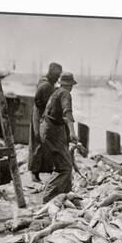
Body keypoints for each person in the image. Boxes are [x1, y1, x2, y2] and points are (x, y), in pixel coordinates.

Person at [40, 72, 78, 203]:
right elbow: (67, 112)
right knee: (65, 167)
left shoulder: (56, 92)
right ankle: (48, 198)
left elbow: (56, 113)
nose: (72, 87)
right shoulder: (65, 94)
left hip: (48, 130)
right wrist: (72, 133)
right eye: (72, 85)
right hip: (52, 132)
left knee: (62, 163)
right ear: (70, 85)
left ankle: (65, 194)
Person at [28, 62, 63, 182]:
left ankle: (43, 170)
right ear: (52, 74)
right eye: (57, 76)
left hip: (42, 116)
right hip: (40, 117)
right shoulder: (45, 86)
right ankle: (34, 173)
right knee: (38, 143)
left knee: (44, 143)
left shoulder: (46, 83)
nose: (58, 78)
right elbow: (38, 101)